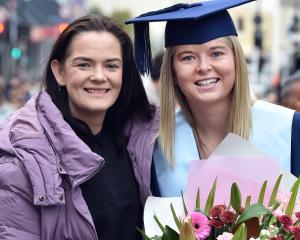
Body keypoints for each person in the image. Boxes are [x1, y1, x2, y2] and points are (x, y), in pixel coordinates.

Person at [0, 15, 158, 239]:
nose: (99, 76)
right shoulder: (22, 157)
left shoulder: (138, 140)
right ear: (59, 72)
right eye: (84, 65)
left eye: (111, 65)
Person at [126, 0, 300, 197]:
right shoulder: (156, 147)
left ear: (236, 61)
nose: (204, 67)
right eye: (188, 58)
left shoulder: (289, 129)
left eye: (216, 53)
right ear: (172, 72)